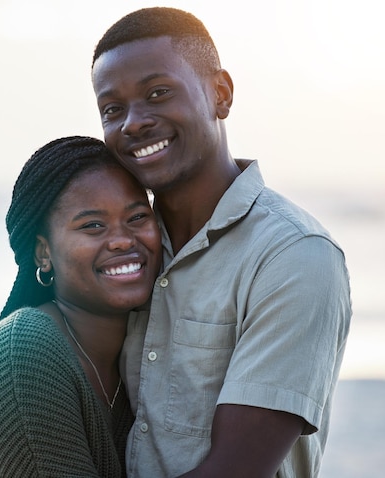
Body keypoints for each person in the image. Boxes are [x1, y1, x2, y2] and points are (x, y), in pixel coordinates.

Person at [91, 7, 352, 478]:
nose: (133, 123)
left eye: (158, 93)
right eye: (112, 109)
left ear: (221, 93)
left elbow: (234, 471)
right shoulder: (125, 254)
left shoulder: (294, 256)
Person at [0, 136, 162, 477]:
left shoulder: (144, 354)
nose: (122, 239)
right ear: (43, 253)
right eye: (93, 225)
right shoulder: (26, 353)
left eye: (137, 217)